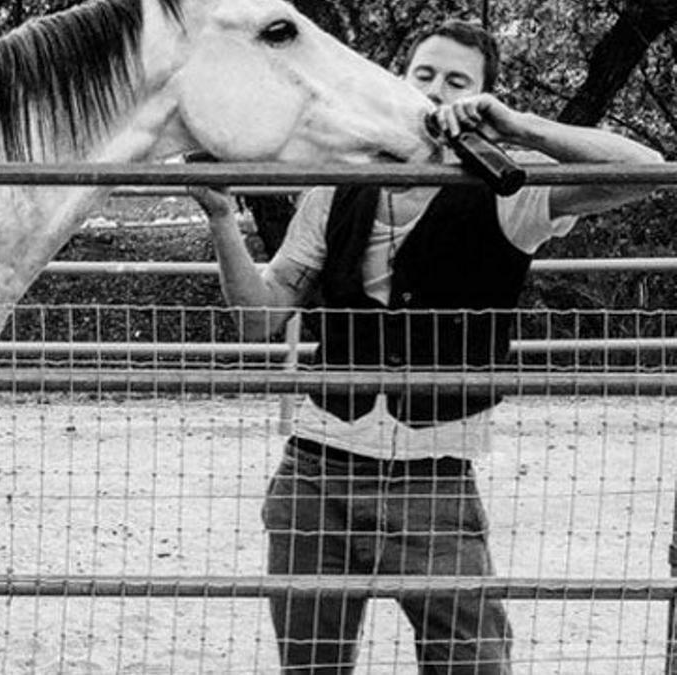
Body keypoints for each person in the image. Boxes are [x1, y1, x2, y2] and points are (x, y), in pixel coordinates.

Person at [189, 19, 664, 675]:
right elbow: (260, 318)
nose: (437, 91)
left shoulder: (511, 193)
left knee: (474, 662)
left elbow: (650, 171)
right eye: (425, 74)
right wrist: (221, 219)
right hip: (315, 473)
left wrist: (519, 127)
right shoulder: (334, 187)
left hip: (433, 483)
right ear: (402, 82)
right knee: (309, 667)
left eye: (458, 82)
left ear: (481, 100)